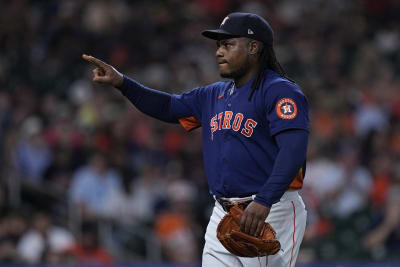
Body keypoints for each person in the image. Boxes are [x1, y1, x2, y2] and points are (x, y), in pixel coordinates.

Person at [83, 12, 309, 267]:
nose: (219, 52)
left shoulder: (280, 91)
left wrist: (265, 200)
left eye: (228, 44)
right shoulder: (214, 95)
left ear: (254, 47)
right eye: (218, 46)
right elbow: (168, 107)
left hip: (270, 210)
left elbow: (293, 151)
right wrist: (122, 83)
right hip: (223, 213)